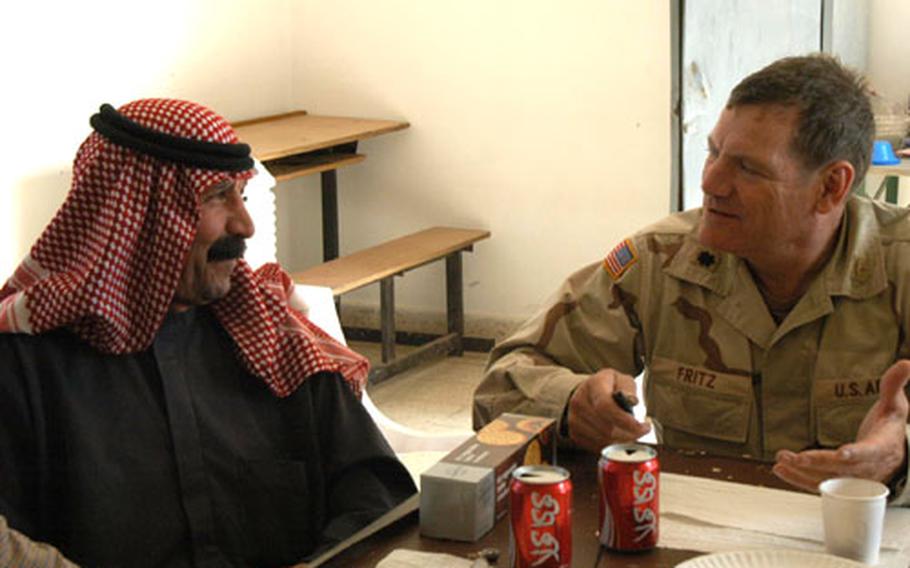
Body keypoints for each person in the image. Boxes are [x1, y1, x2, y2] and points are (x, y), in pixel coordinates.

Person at [474, 54, 910, 505]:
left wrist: (900, 459)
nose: (711, 181)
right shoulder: (660, 260)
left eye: (748, 168)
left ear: (831, 187)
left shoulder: (900, 266)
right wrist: (570, 405)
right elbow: (498, 386)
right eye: (714, 152)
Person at [0, 99, 416, 566]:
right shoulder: (23, 369)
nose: (245, 225)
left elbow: (376, 494)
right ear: (142, 213)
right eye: (218, 196)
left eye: (241, 193)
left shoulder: (271, 332)